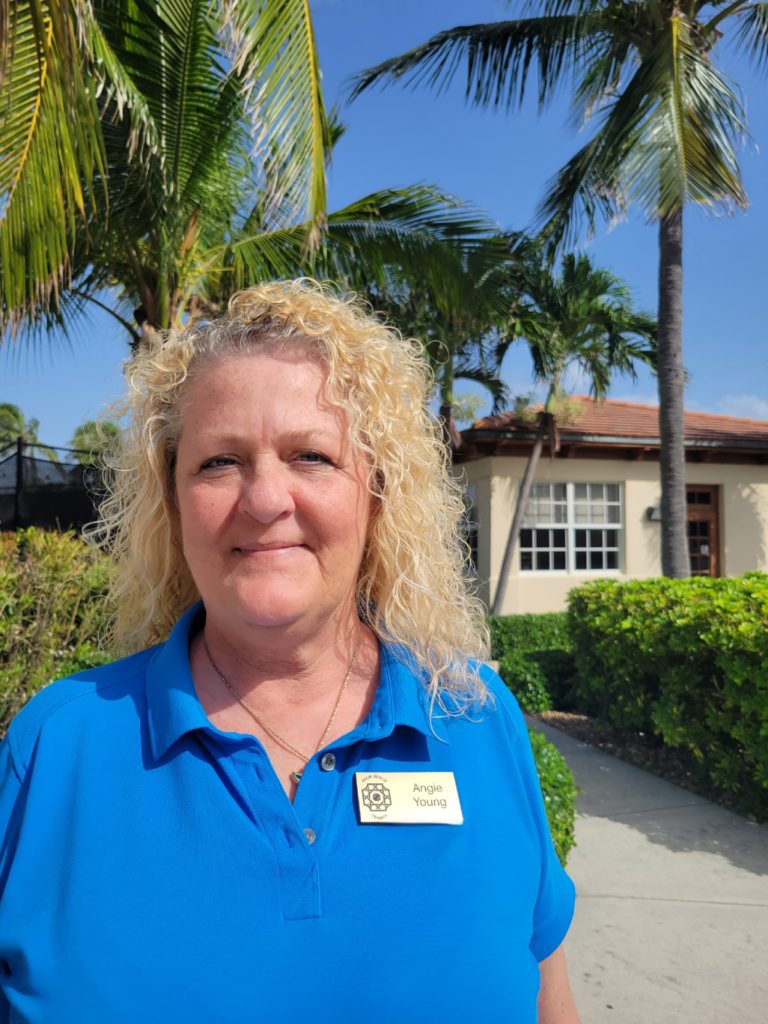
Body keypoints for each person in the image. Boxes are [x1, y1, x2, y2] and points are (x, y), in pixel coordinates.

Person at [0, 279, 579, 1023]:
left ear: (377, 492)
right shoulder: (55, 747)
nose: (266, 499)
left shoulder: (473, 715)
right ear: (172, 502)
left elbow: (549, 998)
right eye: (219, 462)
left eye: (311, 455)